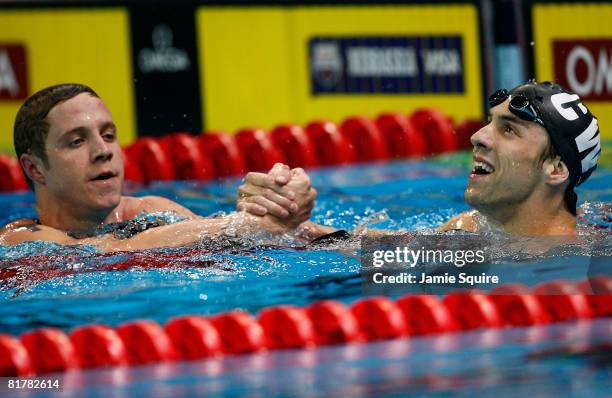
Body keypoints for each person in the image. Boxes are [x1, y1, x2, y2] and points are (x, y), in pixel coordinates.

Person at [237, 81, 602, 237]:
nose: (477, 137)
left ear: (555, 169)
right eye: (490, 122)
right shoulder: (471, 231)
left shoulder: (583, 263)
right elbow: (372, 249)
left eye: (509, 130)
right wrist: (288, 220)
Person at [0, 83, 316, 252]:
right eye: (77, 142)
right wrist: (244, 225)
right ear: (35, 169)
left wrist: (286, 212)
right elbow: (101, 253)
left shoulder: (150, 212)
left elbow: (252, 237)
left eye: (108, 136)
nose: (103, 151)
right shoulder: (22, 238)